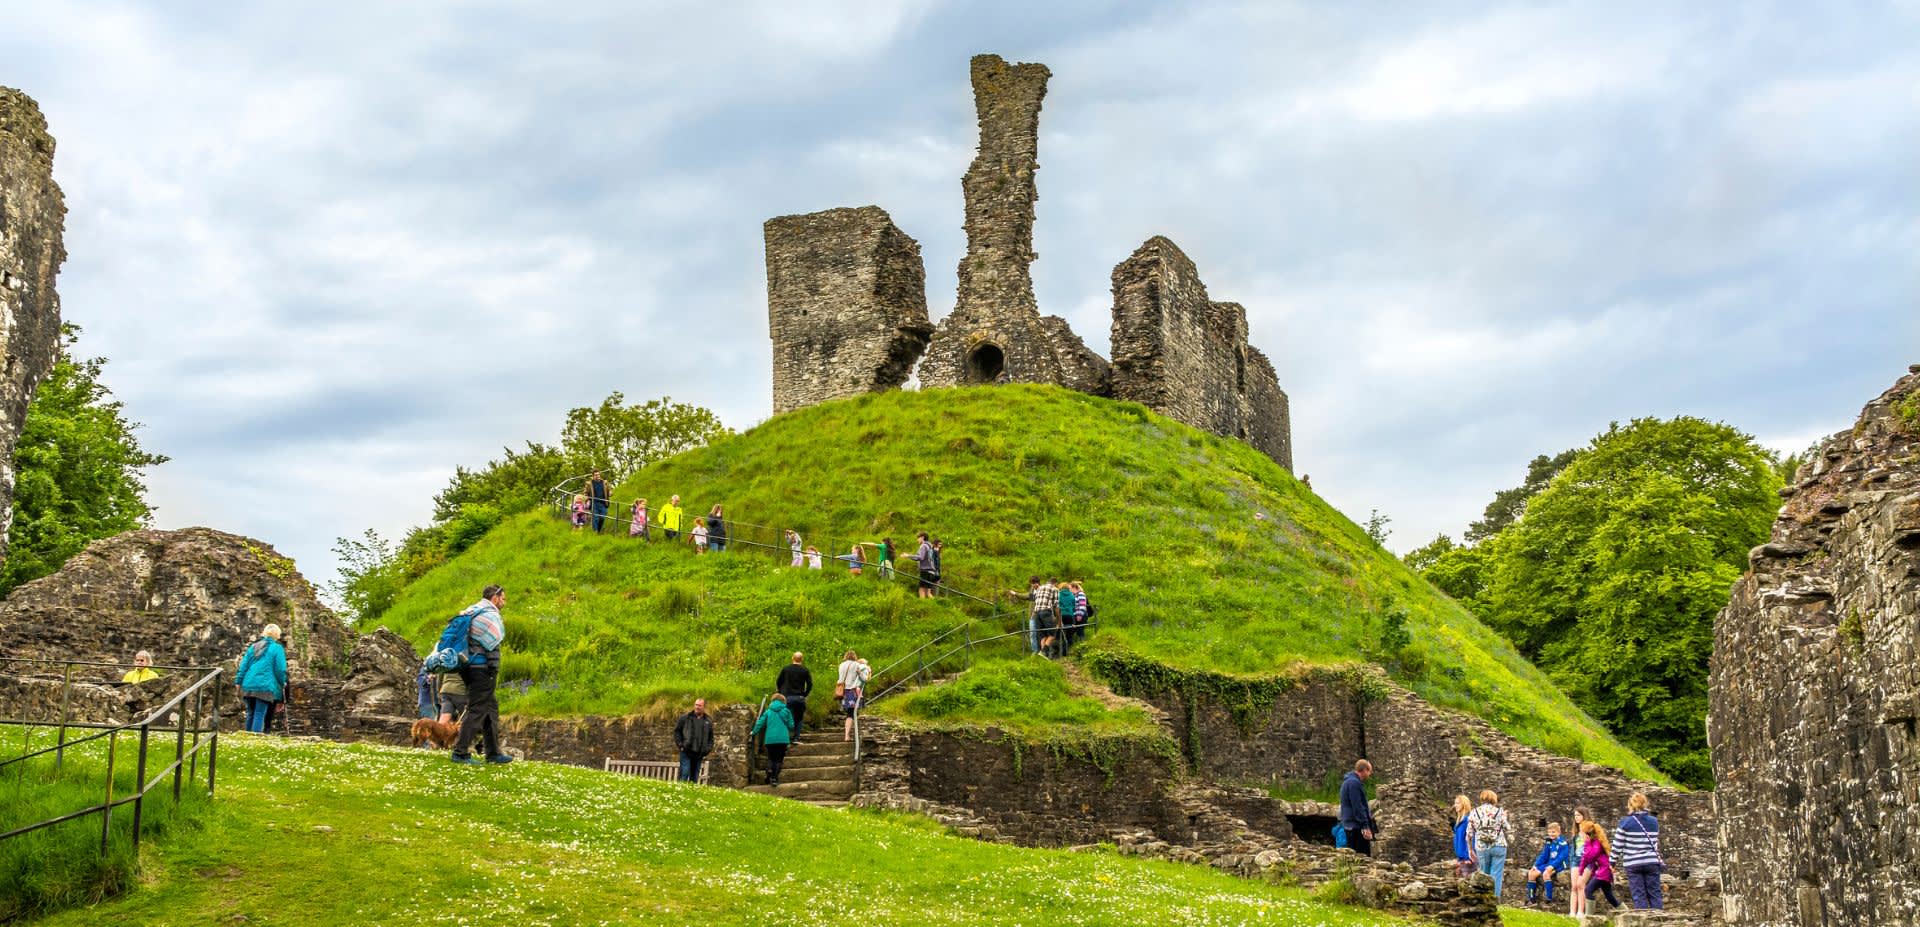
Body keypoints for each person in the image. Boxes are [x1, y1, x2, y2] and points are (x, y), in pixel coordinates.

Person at [450, 585, 513, 765]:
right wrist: (493, 669)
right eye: (503, 598)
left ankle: (493, 752)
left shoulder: (472, 610)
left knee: (490, 707)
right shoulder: (489, 615)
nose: (504, 602)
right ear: (495, 598)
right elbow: (493, 641)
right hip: (481, 668)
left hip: (467, 666)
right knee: (477, 708)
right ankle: (460, 752)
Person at [1613, 793, 1665, 909]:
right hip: (1651, 861)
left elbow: (1617, 845)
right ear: (1645, 803)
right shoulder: (1654, 821)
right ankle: (1658, 921)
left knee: (1639, 895)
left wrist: (1612, 862)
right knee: (1655, 894)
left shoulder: (1625, 822)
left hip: (1633, 863)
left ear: (1630, 805)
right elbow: (1654, 841)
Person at [236, 624, 288, 734]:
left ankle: (246, 737)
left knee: (250, 712)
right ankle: (255, 739)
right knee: (259, 713)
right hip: (265, 685)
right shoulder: (277, 648)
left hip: (249, 683)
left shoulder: (253, 647)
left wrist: (239, 681)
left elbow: (244, 665)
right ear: (277, 635)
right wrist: (282, 681)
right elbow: (280, 669)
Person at [1466, 789, 1513, 897]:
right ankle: (1495, 900)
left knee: (1483, 873)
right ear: (1493, 799)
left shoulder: (1474, 812)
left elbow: (1469, 833)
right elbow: (1507, 827)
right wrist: (1504, 817)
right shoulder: (1499, 812)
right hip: (1498, 845)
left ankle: (1485, 900)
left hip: (1481, 846)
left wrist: (1470, 849)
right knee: (1496, 874)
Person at [1575, 819, 1619, 913]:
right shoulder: (1590, 843)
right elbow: (1585, 859)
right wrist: (1580, 872)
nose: (1580, 835)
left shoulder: (1596, 843)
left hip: (1604, 871)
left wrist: (1587, 844)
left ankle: (1589, 918)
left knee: (1588, 890)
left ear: (1587, 834)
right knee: (1609, 896)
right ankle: (1626, 912)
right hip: (1602, 871)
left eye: (1581, 833)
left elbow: (1589, 856)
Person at [1525, 820, 1573, 906]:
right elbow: (1544, 855)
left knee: (1546, 874)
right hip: (1549, 863)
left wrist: (1552, 866)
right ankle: (1531, 899)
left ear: (1559, 832)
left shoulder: (1563, 843)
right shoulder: (1549, 842)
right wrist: (1535, 865)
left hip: (1560, 864)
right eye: (1549, 832)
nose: (1551, 834)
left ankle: (1548, 898)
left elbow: (1562, 857)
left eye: (1553, 832)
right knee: (1531, 873)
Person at [752, 693, 796, 785]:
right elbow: (791, 725)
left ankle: (769, 772)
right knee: (779, 759)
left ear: (772, 701)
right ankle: (774, 779)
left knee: (771, 758)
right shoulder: (787, 711)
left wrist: (753, 732)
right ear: (783, 701)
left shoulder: (768, 711)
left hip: (770, 739)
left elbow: (760, 723)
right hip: (783, 739)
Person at [1338, 759, 1377, 855]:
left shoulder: (1348, 782)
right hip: (1356, 827)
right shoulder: (1354, 783)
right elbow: (1358, 806)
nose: (1370, 774)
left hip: (1350, 825)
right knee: (1362, 856)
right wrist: (1365, 826)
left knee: (1354, 856)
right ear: (1364, 770)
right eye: (1369, 771)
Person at [672, 698, 714, 783]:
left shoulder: (708, 721)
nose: (697, 707)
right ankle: (680, 791)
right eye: (696, 705)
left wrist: (706, 750)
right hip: (686, 751)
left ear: (704, 707)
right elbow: (677, 731)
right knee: (685, 773)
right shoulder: (685, 718)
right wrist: (680, 745)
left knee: (694, 778)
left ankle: (691, 794)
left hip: (699, 754)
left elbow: (711, 738)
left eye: (699, 705)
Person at [776, 652, 812, 739]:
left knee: (786, 716)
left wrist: (780, 692)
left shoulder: (786, 669)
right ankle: (796, 737)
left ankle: (786, 737)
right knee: (799, 718)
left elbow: (778, 681)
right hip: (799, 697)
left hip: (787, 697)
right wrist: (805, 694)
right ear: (802, 659)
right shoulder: (805, 670)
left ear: (792, 658)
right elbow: (810, 684)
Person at [837, 650, 869, 741]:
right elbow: (864, 679)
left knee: (849, 713)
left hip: (843, 691)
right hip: (853, 691)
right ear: (855, 656)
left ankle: (848, 735)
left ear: (845, 656)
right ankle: (850, 735)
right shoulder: (856, 665)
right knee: (853, 713)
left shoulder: (841, 665)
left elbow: (840, 678)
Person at [1568, 807, 1594, 915]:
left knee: (1580, 884)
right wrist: (1571, 860)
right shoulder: (1576, 831)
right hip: (1576, 860)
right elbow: (1573, 849)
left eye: (1578, 815)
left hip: (1587, 861)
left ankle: (1580, 912)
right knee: (1574, 886)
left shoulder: (1591, 829)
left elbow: (1595, 846)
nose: (1576, 817)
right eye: (1575, 815)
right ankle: (1572, 912)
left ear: (1584, 816)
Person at [1451, 794, 1474, 878]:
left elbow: (1472, 839)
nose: (1455, 805)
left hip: (1467, 859)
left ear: (1464, 804)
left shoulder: (1468, 820)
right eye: (1455, 803)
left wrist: (1468, 857)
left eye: (1457, 803)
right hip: (1461, 858)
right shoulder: (1459, 821)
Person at [913, 533, 937, 598]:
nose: (917, 540)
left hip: (925, 571)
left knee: (921, 590)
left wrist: (908, 556)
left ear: (922, 537)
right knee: (928, 593)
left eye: (918, 538)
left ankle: (921, 605)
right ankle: (934, 604)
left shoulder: (923, 546)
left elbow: (920, 557)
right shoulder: (930, 546)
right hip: (931, 571)